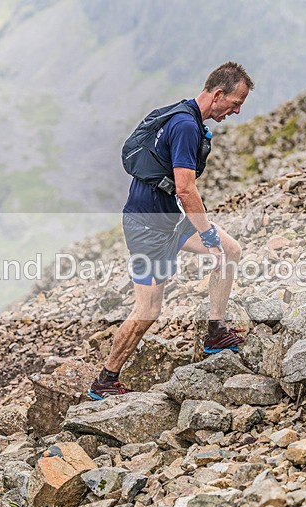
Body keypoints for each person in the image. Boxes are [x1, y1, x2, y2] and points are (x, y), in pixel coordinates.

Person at [88, 62, 254, 400]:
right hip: (147, 225)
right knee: (148, 309)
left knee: (230, 251)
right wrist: (206, 234)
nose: (236, 111)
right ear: (218, 94)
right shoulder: (185, 126)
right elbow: (185, 188)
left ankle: (215, 331)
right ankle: (105, 379)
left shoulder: (183, 115)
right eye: (235, 103)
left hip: (168, 218)